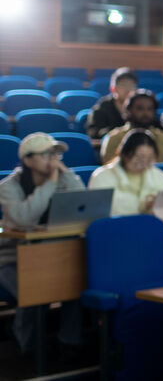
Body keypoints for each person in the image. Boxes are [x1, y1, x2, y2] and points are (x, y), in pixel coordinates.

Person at [0, 133, 85, 355]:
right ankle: (27, 346)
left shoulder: (60, 178)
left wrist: (67, 175)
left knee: (74, 284)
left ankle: (69, 342)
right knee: (35, 291)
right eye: (46, 154)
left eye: (55, 154)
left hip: (53, 253)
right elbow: (24, 218)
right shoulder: (9, 186)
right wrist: (51, 183)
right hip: (13, 259)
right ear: (27, 160)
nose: (53, 159)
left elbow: (84, 205)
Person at [89, 129, 163, 215]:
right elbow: (101, 211)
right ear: (124, 155)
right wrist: (144, 207)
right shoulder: (101, 177)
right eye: (139, 158)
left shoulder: (157, 174)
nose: (144, 164)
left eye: (149, 159)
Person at [99, 90, 163, 164]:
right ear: (128, 110)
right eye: (140, 108)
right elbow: (110, 167)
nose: (145, 113)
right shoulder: (114, 137)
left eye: (150, 109)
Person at [86, 66, 138, 139]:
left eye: (131, 85)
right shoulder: (102, 107)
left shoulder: (139, 106)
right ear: (113, 89)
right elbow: (94, 132)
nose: (128, 89)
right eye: (123, 85)